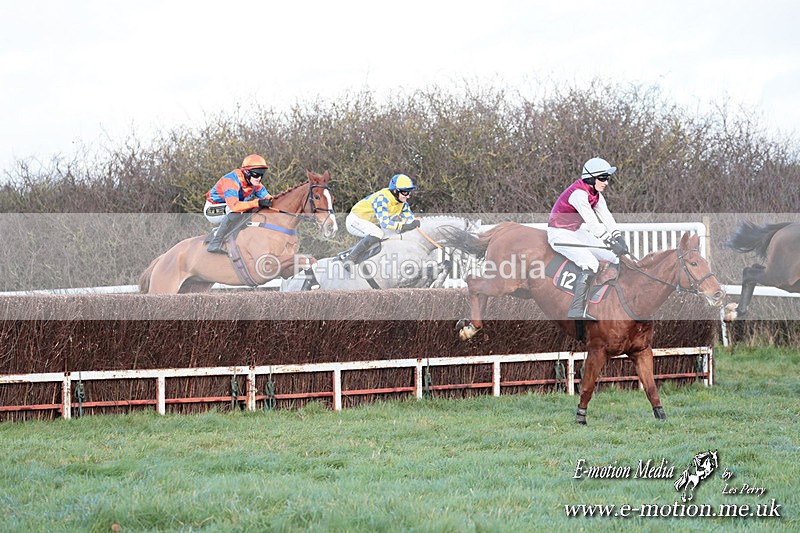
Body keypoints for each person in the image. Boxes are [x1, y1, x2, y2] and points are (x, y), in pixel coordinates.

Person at [547, 157, 629, 320]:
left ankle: (609, 297)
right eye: (603, 178)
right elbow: (592, 222)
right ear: (591, 178)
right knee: (591, 264)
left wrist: (618, 238)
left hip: (575, 231)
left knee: (613, 257)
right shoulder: (579, 194)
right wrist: (610, 241)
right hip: (559, 233)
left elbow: (606, 217)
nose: (606, 182)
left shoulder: (596, 194)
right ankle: (576, 308)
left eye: (607, 178)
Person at [343, 173, 421, 269]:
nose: (408, 196)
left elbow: (410, 219)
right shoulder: (382, 198)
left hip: (370, 223)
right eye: (405, 192)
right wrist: (403, 226)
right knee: (377, 233)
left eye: (409, 192)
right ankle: (350, 259)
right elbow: (385, 223)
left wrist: (416, 223)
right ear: (395, 191)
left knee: (391, 235)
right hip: (354, 220)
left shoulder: (403, 203)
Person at [204, 154, 274, 254]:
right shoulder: (231, 181)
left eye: (261, 174)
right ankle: (215, 242)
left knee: (253, 211)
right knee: (238, 211)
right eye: (256, 174)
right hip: (212, 209)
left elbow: (269, 199)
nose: (259, 178)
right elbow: (235, 206)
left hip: (230, 208)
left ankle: (232, 237)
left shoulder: (256, 184)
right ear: (246, 172)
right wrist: (256, 202)